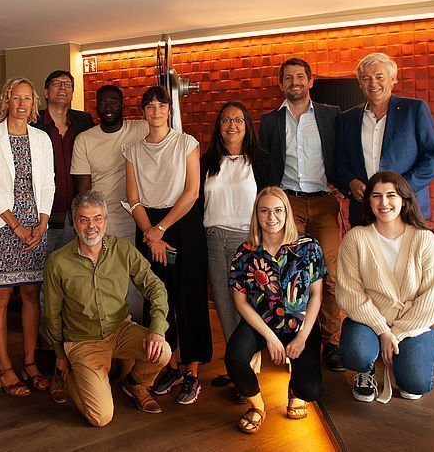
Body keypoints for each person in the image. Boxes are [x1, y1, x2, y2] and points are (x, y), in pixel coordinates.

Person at [43, 191, 171, 426]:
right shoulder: (58, 262)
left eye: (98, 218)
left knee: (163, 351)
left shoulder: (122, 249)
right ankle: (72, 379)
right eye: (84, 219)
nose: (91, 226)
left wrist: (157, 329)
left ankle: (135, 383)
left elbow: (156, 287)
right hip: (83, 341)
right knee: (100, 418)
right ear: (74, 222)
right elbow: (52, 314)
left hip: (120, 330)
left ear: (106, 221)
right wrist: (61, 355)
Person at [123, 86, 212, 405]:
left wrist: (161, 229)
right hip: (148, 225)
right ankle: (168, 365)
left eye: (161, 105)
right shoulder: (132, 150)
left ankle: (192, 371)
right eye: (150, 106)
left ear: (168, 110)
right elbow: (133, 199)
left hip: (183, 224)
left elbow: (191, 193)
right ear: (143, 112)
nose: (156, 110)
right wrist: (150, 232)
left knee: (190, 299)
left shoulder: (186, 143)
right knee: (157, 299)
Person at [259, 57, 344, 372]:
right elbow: (265, 167)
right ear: (281, 84)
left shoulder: (331, 115)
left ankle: (332, 343)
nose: (294, 82)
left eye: (300, 77)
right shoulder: (270, 121)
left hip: (323, 203)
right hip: (288, 204)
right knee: (289, 275)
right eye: (288, 78)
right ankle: (290, 340)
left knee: (330, 275)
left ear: (311, 81)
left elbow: (342, 154)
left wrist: (343, 185)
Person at [336, 171, 434, 402]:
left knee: (414, 386)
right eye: (376, 196)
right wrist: (381, 329)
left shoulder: (424, 239)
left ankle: (411, 354)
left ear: (404, 199)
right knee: (357, 354)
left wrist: (395, 334)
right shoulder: (356, 238)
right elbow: (350, 293)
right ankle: (365, 369)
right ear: (368, 201)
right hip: (368, 319)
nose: (383, 203)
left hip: (411, 322)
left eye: (391, 195)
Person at [0, 76, 55, 396]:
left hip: (35, 228)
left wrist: (42, 224)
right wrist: (16, 225)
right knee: (1, 297)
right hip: (2, 227)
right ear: (6, 102)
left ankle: (30, 362)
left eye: (28, 99)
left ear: (34, 104)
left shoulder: (41, 139)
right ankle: (5, 367)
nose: (22, 104)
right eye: (16, 98)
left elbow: (48, 182)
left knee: (30, 296)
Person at [227, 187, 325, 434]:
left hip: (299, 324)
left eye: (278, 210)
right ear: (256, 215)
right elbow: (240, 303)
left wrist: (302, 337)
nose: (271, 217)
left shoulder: (308, 247)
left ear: (287, 213)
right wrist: (270, 337)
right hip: (262, 321)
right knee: (235, 357)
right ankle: (257, 407)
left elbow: (316, 295)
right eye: (265, 211)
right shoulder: (244, 253)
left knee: (310, 390)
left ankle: (295, 389)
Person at [199, 101, 272, 392]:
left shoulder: (261, 159)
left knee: (249, 308)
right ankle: (236, 368)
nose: (232, 125)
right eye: (226, 120)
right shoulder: (207, 161)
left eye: (238, 120)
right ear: (219, 126)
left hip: (248, 241)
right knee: (224, 306)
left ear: (247, 125)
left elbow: (269, 203)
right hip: (214, 239)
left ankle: (249, 372)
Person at [335, 52, 434, 226]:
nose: (373, 83)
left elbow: (433, 158)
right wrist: (350, 182)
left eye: (379, 77)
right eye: (366, 78)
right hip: (364, 211)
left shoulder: (414, 110)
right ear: (360, 84)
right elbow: (339, 163)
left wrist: (401, 189)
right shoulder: (346, 119)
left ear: (393, 79)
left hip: (408, 208)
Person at [71, 84, 149, 320]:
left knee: (134, 284)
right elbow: (83, 193)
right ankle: (105, 340)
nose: (108, 107)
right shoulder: (84, 140)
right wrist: (87, 226)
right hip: (101, 223)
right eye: (103, 102)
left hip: (138, 220)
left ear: (123, 105)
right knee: (102, 281)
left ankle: (132, 341)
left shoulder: (141, 129)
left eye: (114, 101)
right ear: (96, 107)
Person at [33, 69, 94, 253]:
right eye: (56, 83)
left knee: (71, 273)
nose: (62, 88)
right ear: (45, 92)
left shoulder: (83, 121)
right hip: (42, 217)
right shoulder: (33, 122)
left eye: (67, 85)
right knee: (42, 274)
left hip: (75, 216)